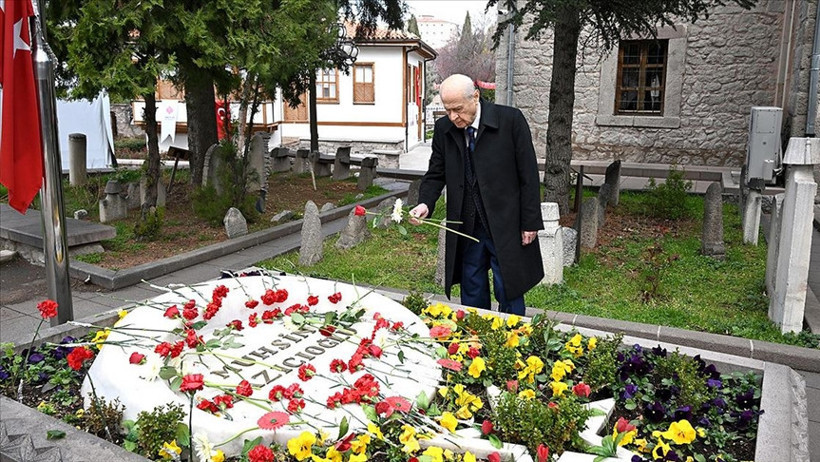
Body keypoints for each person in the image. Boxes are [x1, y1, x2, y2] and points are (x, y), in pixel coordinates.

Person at [409, 74, 543, 315]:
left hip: (505, 222)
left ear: (476, 97)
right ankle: (475, 334)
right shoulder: (444, 129)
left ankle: (514, 333)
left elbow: (529, 174)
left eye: (458, 109)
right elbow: (436, 172)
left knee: (508, 286)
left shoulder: (510, 120)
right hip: (467, 225)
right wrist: (425, 203)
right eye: (447, 110)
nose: (453, 117)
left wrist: (530, 222)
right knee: (471, 285)